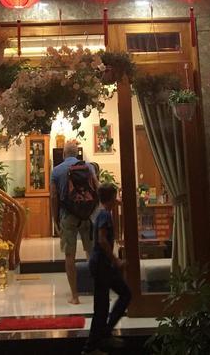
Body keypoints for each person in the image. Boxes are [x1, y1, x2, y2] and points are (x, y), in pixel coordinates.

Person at [84, 183, 132, 354]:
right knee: (112, 301)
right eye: (116, 195)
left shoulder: (101, 212)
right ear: (112, 197)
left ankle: (101, 337)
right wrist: (116, 261)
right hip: (102, 265)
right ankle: (94, 344)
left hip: (101, 265)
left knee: (103, 306)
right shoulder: (104, 214)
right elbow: (102, 240)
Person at [50, 139, 98, 304]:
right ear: (77, 153)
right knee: (91, 253)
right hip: (86, 216)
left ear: (63, 154)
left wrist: (54, 219)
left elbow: (54, 196)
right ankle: (97, 291)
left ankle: (75, 296)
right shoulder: (89, 167)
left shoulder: (56, 171)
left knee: (70, 255)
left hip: (68, 217)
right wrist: (92, 211)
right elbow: (96, 188)